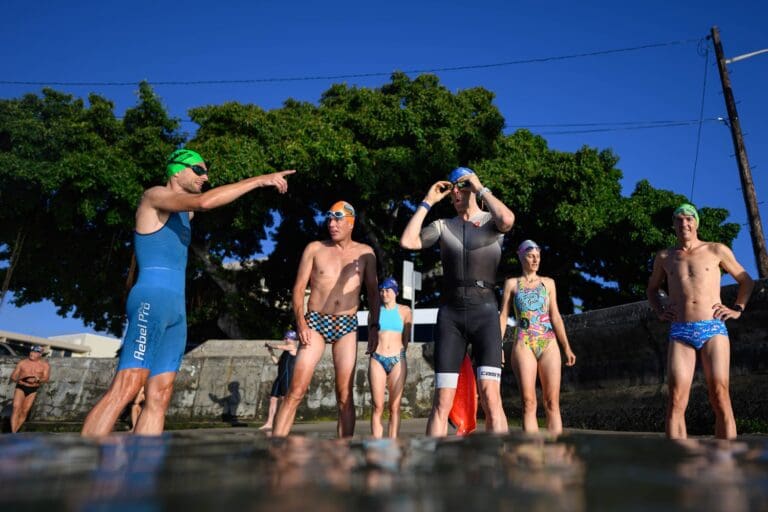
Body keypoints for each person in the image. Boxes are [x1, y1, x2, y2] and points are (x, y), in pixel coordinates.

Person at [81, 148, 295, 437]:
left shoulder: (186, 214)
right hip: (151, 300)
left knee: (161, 394)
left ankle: (143, 467)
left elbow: (201, 203)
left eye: (206, 172)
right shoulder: (154, 195)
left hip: (175, 308)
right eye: (198, 170)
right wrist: (260, 180)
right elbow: (206, 201)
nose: (205, 176)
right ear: (176, 170)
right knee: (128, 385)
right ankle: (86, 465)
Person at [400, 167, 515, 436]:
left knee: (490, 398)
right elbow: (408, 241)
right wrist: (428, 200)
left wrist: (479, 186)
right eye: (452, 188)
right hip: (450, 316)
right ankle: (435, 468)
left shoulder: (491, 222)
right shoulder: (443, 226)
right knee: (441, 401)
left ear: (471, 188)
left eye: (460, 186)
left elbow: (508, 220)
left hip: (485, 313)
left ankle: (499, 468)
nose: (455, 192)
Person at [646, 203, 754, 440]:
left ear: (696, 223)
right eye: (679, 220)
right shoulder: (665, 257)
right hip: (680, 331)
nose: (684, 224)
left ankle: (726, 461)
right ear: (673, 225)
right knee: (675, 399)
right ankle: (678, 461)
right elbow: (652, 289)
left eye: (688, 219)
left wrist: (737, 308)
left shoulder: (716, 250)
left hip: (713, 328)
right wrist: (659, 311)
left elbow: (746, 281)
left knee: (720, 394)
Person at [272, 201, 379, 438]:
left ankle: (344, 453)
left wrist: (374, 328)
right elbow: (298, 288)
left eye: (338, 219)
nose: (332, 224)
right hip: (315, 323)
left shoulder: (365, 253)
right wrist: (301, 323)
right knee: (296, 389)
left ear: (351, 223)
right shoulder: (315, 248)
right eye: (329, 219)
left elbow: (372, 294)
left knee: (344, 394)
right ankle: (276, 447)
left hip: (347, 325)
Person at [499, 240, 576, 435]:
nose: (535, 260)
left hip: (548, 342)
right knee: (529, 402)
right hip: (524, 342)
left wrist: (566, 347)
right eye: (531, 255)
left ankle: (555, 455)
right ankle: (531, 456)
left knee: (552, 402)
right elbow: (503, 316)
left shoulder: (548, 283)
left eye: (538, 256)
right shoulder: (512, 284)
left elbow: (555, 316)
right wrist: (497, 346)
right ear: (521, 256)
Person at [368, 277, 412, 438]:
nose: (384, 293)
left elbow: (406, 338)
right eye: (381, 290)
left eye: (387, 290)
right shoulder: (374, 311)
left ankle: (392, 442)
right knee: (377, 406)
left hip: (397, 359)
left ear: (396, 292)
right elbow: (371, 336)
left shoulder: (405, 311)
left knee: (394, 406)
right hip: (377, 358)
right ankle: (376, 443)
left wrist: (400, 354)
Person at [259, 330, 299, 431]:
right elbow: (277, 362)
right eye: (284, 338)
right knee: (273, 399)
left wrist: (270, 345)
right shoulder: (285, 351)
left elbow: (280, 346)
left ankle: (284, 421)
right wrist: (271, 352)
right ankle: (269, 423)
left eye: (286, 338)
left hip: (287, 377)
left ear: (291, 339)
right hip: (279, 377)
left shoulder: (292, 347)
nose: (284, 340)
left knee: (284, 400)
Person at [9, 345, 50, 433]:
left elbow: (46, 378)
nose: (32, 353)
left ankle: (15, 431)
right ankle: (13, 433)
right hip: (21, 387)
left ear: (40, 354)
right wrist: (18, 380)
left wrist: (38, 379)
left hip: (33, 390)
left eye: (35, 352)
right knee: (16, 408)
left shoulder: (44, 365)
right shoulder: (22, 363)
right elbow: (13, 376)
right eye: (31, 351)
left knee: (24, 411)